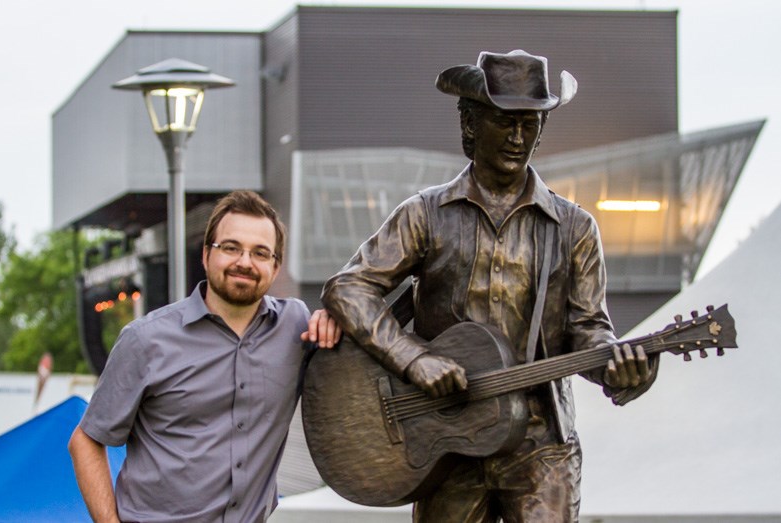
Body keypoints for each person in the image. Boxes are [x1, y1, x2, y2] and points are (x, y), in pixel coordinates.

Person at [321, 50, 658, 522]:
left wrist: (621, 369)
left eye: (531, 123)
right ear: (471, 124)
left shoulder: (574, 228)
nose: (519, 137)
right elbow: (349, 289)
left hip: (542, 445)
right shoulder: (425, 214)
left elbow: (589, 331)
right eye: (505, 122)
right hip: (449, 441)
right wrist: (413, 359)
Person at [69, 190, 341, 523]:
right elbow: (85, 441)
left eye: (260, 253)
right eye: (231, 247)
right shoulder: (146, 340)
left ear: (275, 266)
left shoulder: (296, 327)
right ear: (206, 255)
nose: (244, 262)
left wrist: (336, 317)